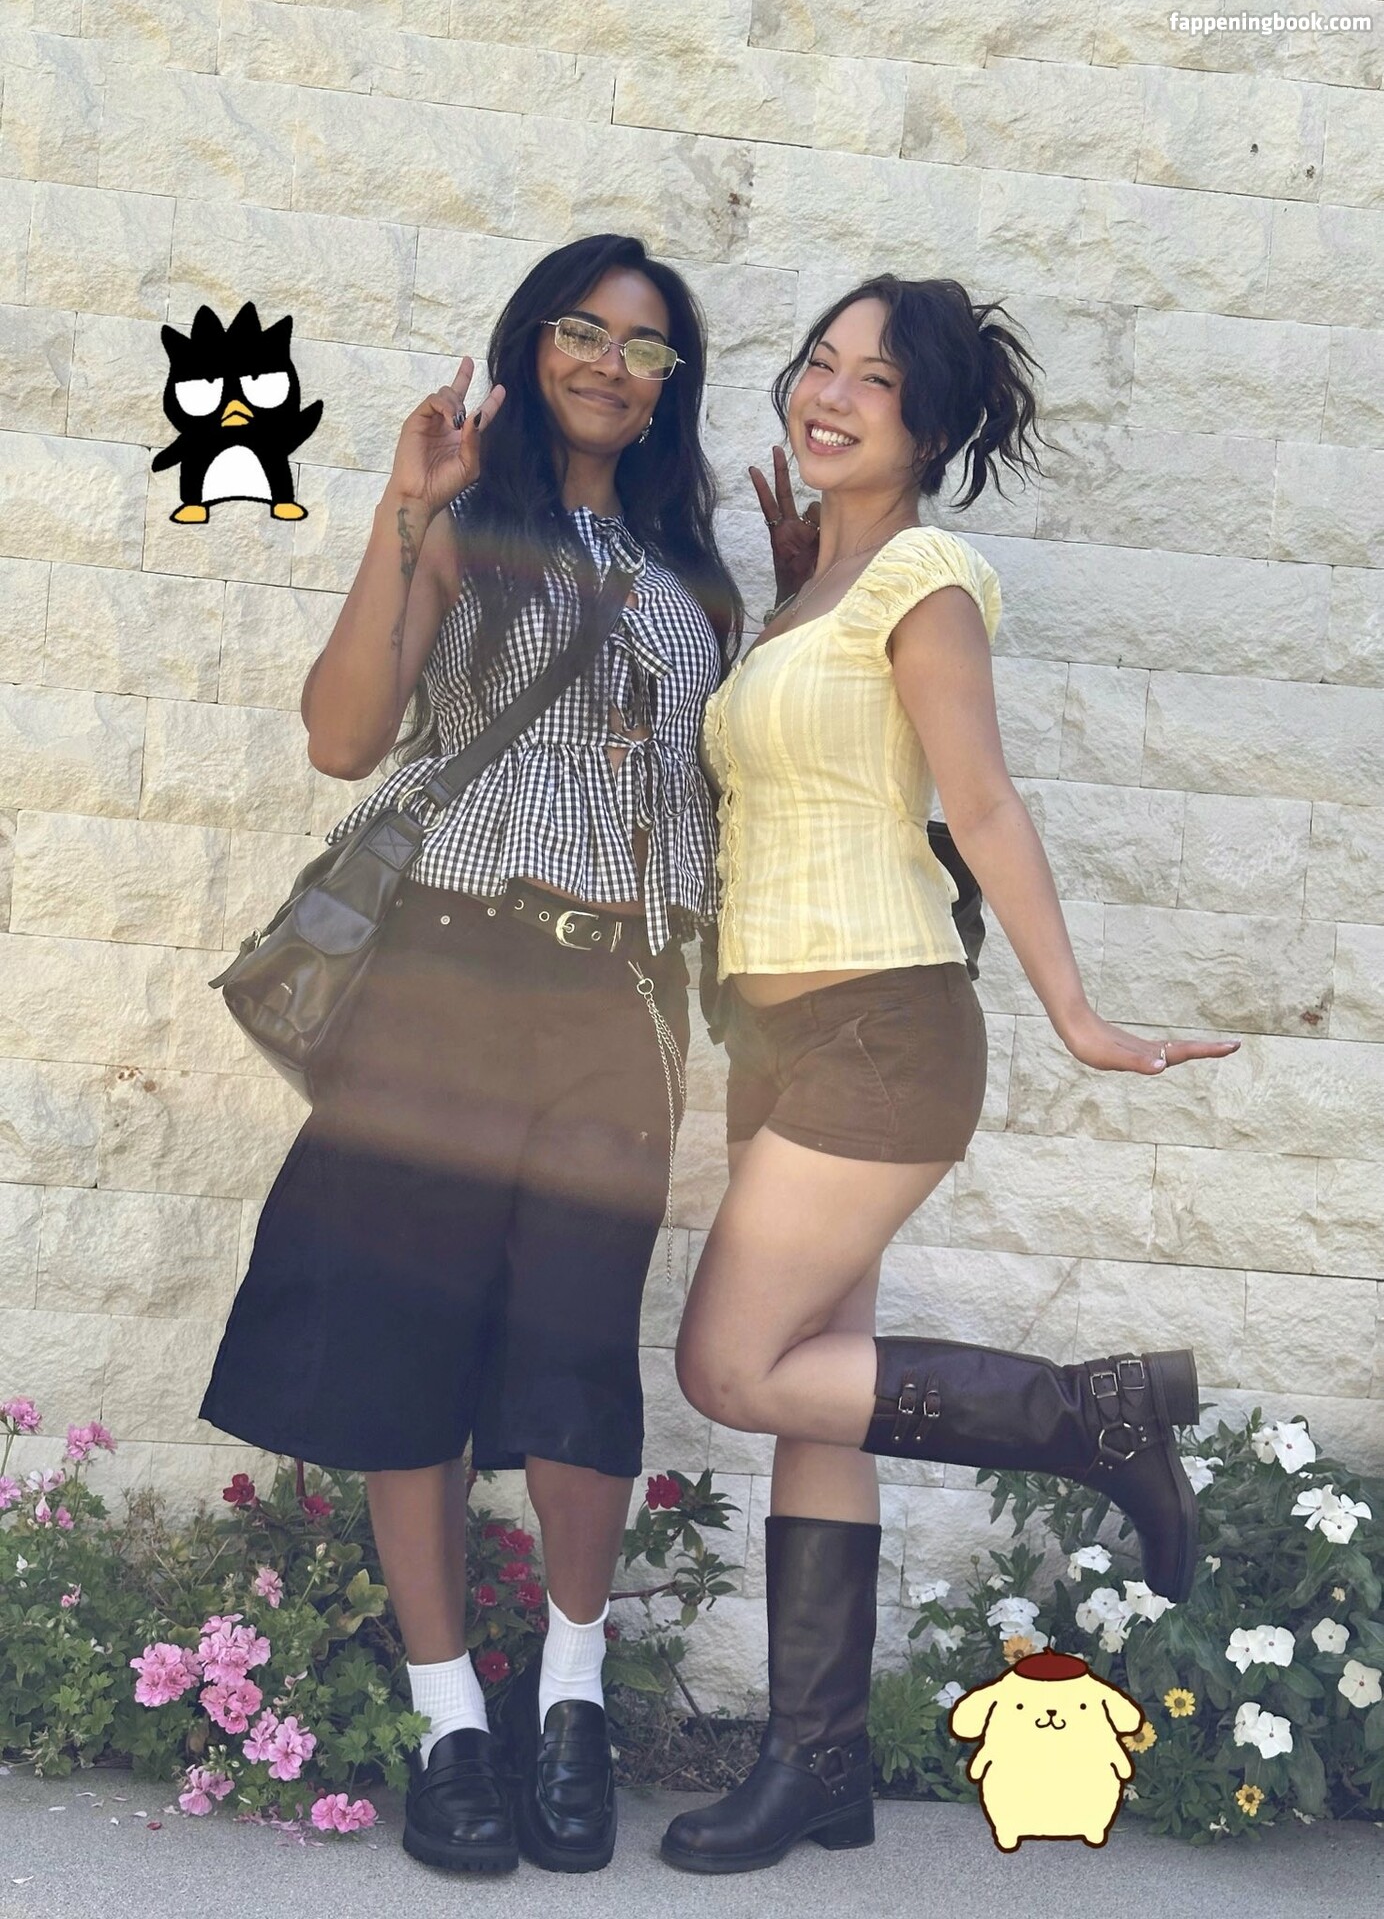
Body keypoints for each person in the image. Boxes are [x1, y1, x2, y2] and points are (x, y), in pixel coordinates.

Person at [659, 276, 1242, 1876]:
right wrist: (796, 591)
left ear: (931, 424)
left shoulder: (925, 577)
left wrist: (1077, 1012)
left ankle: (1090, 1418)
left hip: (882, 1027)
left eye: (877, 379)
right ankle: (819, 1766)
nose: (830, 394)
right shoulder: (816, 586)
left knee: (730, 1367)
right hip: (778, 1039)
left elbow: (977, 803)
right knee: (817, 1391)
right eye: (818, 363)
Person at [197, 233, 742, 1876]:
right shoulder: (463, 520)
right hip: (443, 972)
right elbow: (343, 739)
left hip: (619, 997)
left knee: (579, 1352)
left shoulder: (695, 574)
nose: (608, 364)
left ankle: (569, 1697)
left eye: (644, 347)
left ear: (668, 387)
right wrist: (400, 509)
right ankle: (449, 1718)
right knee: (404, 1349)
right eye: (582, 330)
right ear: (532, 345)